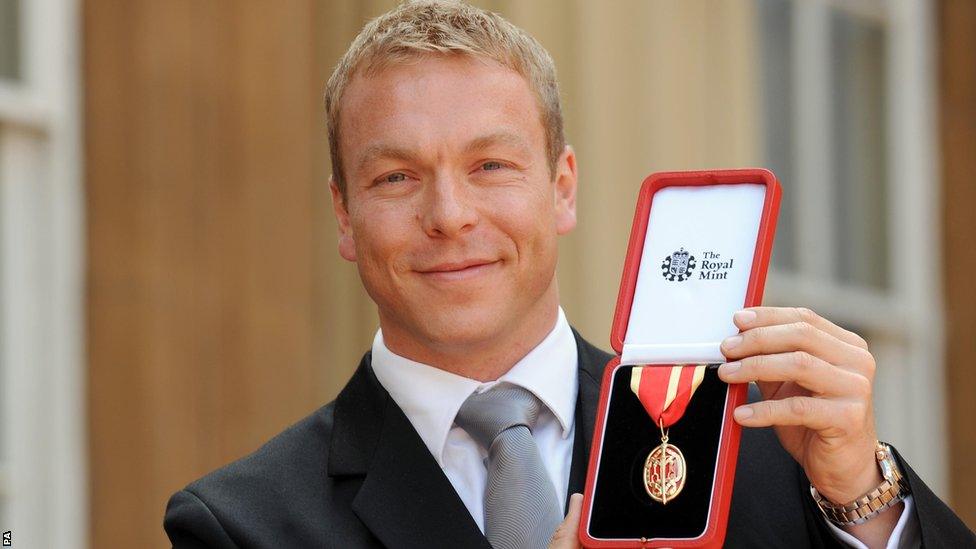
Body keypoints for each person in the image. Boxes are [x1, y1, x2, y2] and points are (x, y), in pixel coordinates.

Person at [163, 2, 974, 548]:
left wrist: (864, 499)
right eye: (396, 178)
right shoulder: (239, 525)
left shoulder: (758, 440)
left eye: (490, 165)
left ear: (562, 187)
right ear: (343, 215)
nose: (449, 214)